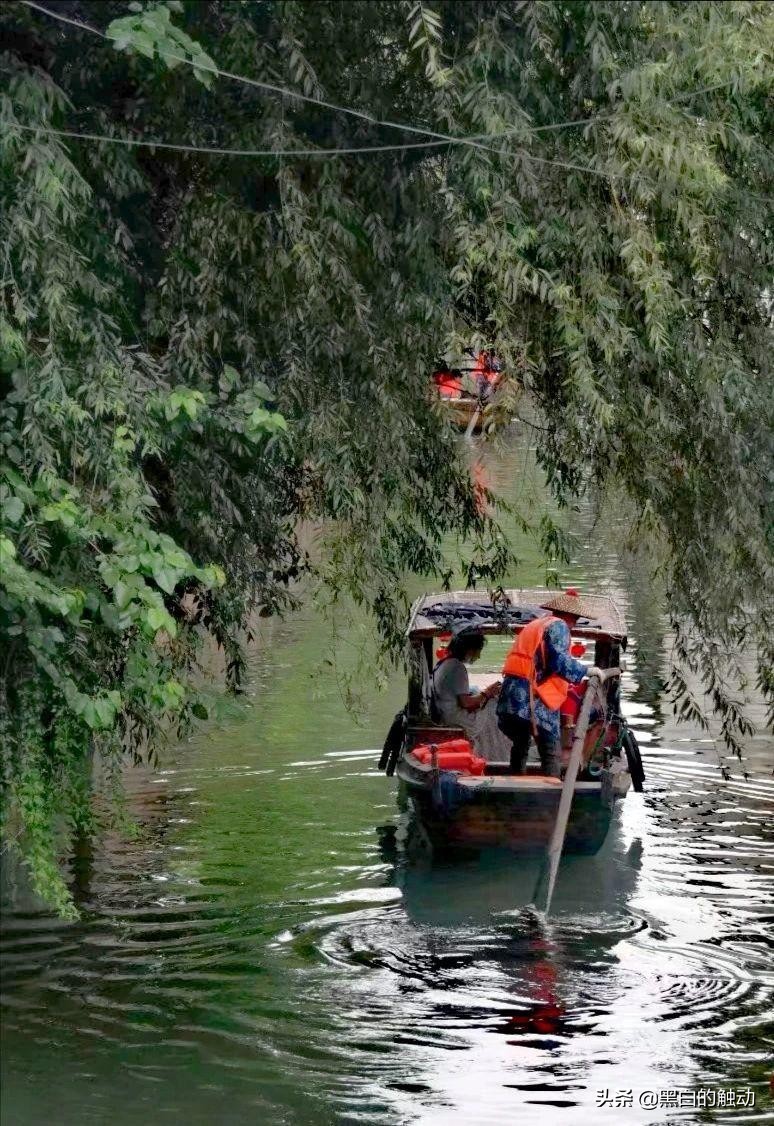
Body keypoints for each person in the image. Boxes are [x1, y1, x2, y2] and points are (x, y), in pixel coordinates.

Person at [496, 588, 603, 777]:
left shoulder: (537, 624)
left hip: (511, 695)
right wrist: (586, 671)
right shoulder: (559, 626)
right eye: (575, 619)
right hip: (531, 697)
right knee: (550, 748)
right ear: (571, 616)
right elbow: (559, 661)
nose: (574, 623)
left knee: (520, 742)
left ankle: (516, 780)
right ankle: (551, 787)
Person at [432, 623, 511, 763]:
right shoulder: (457, 668)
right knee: (493, 707)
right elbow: (466, 704)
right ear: (469, 649)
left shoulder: (444, 664)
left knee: (483, 697)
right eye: (478, 651)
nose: (478, 656)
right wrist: (487, 693)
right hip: (455, 718)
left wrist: (483, 694)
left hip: (445, 713)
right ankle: (496, 757)